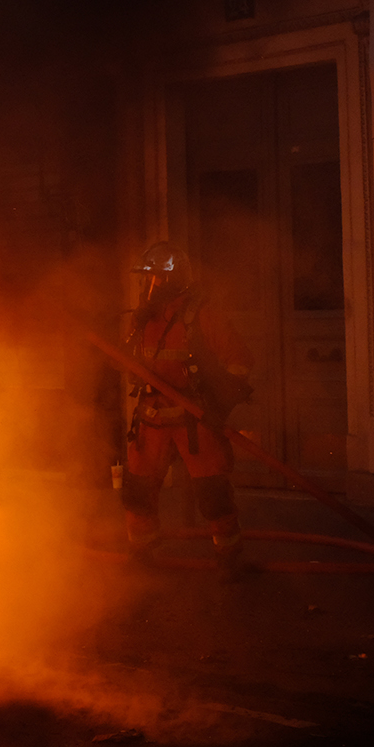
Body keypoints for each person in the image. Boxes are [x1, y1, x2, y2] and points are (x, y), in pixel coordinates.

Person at [119, 240, 256, 579]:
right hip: (151, 416)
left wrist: (217, 401)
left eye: (156, 279)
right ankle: (142, 550)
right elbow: (128, 359)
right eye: (147, 279)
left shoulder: (201, 314)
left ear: (174, 279)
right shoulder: (144, 318)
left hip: (194, 419)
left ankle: (229, 556)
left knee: (213, 493)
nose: (150, 286)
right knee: (137, 489)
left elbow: (239, 362)